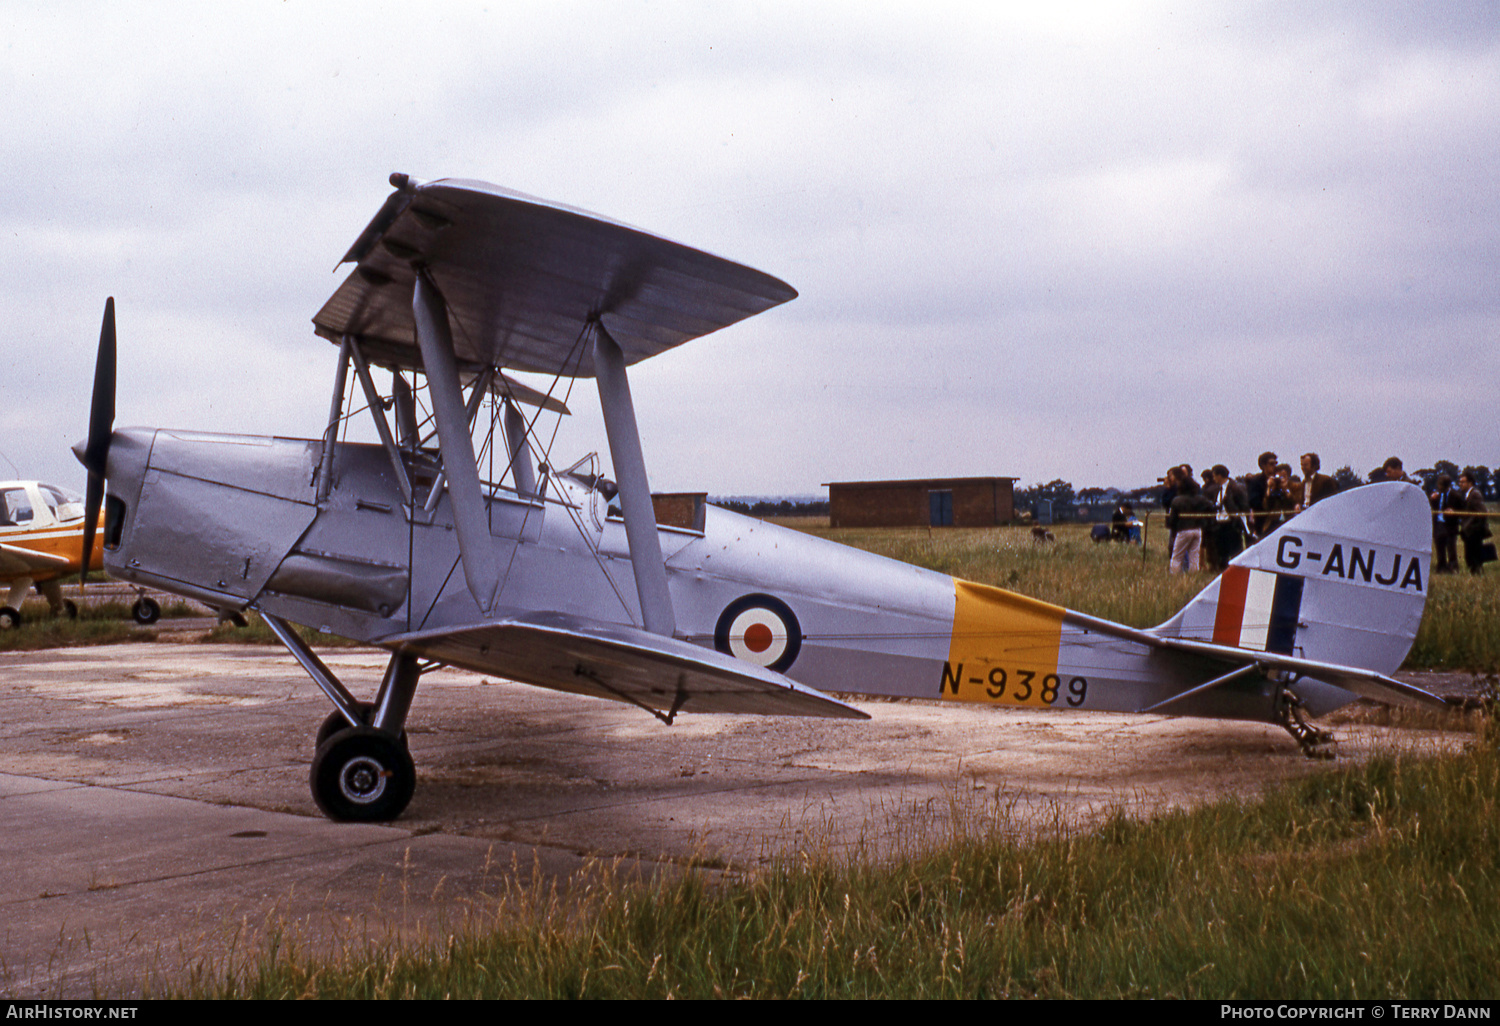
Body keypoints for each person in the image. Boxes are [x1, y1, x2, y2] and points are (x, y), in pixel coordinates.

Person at [1167, 473, 1212, 574]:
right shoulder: (1201, 499)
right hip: (1197, 529)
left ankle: (1174, 574)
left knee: (1177, 555)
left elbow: (1173, 519)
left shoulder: (1177, 500)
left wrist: (1173, 531)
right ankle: (1194, 576)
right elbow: (1211, 507)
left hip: (1184, 529)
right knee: (1194, 556)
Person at [1212, 465, 1250, 566]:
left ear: (1220, 476)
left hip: (1232, 522)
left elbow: (1244, 505)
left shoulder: (1236, 487)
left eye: (1214, 476)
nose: (1214, 478)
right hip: (1220, 522)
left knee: (1235, 547)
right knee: (1222, 548)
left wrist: (1237, 516)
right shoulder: (1218, 488)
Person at [1457, 472, 1492, 575]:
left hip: (1474, 532)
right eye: (1460, 482)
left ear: (1470, 483)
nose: (1460, 484)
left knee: (1474, 557)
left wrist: (1474, 527)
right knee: (1469, 557)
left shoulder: (1475, 494)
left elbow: (1482, 512)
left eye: (1463, 482)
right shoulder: (1467, 495)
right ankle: (1475, 575)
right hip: (1469, 532)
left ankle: (1478, 576)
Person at [1431, 474, 1460, 574]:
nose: (1439, 488)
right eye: (1438, 485)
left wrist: (1453, 511)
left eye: (1441, 486)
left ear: (1447, 486)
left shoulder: (1456, 496)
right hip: (1438, 524)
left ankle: (1453, 567)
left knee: (1451, 547)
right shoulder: (1437, 495)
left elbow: (1462, 509)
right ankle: (1441, 567)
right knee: (1439, 546)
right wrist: (1433, 500)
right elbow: (1434, 508)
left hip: (1450, 526)